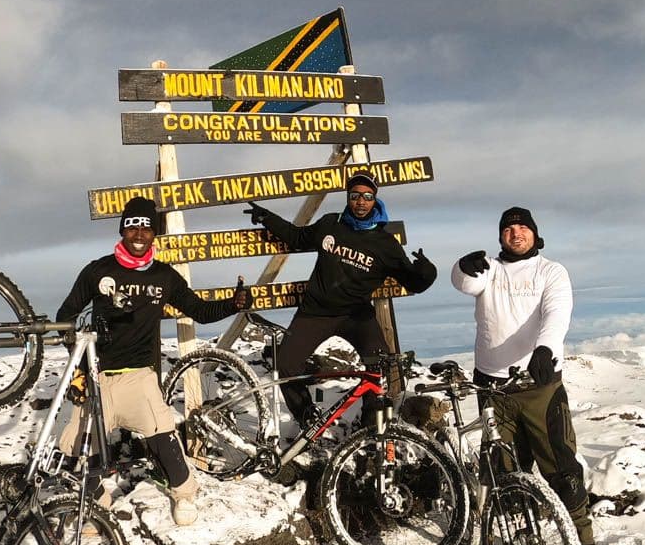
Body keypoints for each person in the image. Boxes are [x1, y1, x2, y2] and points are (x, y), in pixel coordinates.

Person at [54, 196, 251, 526]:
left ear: (153, 233)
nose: (139, 233)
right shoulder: (97, 270)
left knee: (162, 435)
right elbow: (65, 316)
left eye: (146, 226)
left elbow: (199, 312)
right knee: (78, 446)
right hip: (97, 377)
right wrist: (79, 360)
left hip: (139, 376)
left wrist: (233, 304)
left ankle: (184, 494)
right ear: (123, 231)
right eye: (133, 227)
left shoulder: (165, 276)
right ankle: (94, 506)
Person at [451, 208, 618, 545]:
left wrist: (545, 348)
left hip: (538, 386)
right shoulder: (491, 269)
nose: (515, 233)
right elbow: (464, 283)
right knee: (505, 467)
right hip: (492, 387)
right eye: (508, 228)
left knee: (560, 465)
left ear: (534, 234)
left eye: (522, 227)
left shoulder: (551, 271)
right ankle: (523, 533)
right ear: (500, 236)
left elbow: (556, 311)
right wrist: (462, 266)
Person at [245, 171, 437, 437]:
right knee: (286, 364)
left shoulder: (385, 244)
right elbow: (297, 238)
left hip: (356, 315)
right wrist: (268, 218)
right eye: (355, 195)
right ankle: (308, 419)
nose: (360, 201)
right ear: (348, 198)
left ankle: (370, 425)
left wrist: (428, 272)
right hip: (315, 313)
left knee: (378, 363)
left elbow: (414, 283)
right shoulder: (330, 225)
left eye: (367, 196)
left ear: (375, 199)